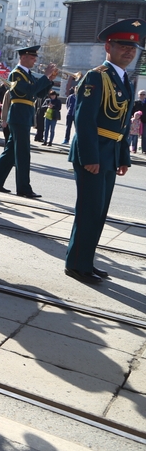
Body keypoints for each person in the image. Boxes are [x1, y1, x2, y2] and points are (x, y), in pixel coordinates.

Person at [64, 18, 142, 284]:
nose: (129, 51)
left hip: (110, 153)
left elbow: (121, 123)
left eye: (133, 48)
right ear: (109, 46)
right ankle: (76, 264)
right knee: (88, 210)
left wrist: (123, 157)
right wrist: (90, 158)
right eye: (123, 46)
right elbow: (84, 120)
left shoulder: (125, 81)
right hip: (93, 153)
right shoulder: (96, 76)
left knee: (99, 212)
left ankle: (86, 261)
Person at [0, 45, 57, 198]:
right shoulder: (16, 74)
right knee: (23, 153)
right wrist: (44, 76)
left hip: (23, 115)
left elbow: (39, 93)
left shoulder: (28, 74)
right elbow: (30, 91)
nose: (35, 60)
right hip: (19, 115)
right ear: (23, 57)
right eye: (32, 57)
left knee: (11, 151)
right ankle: (24, 188)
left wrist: (49, 80)